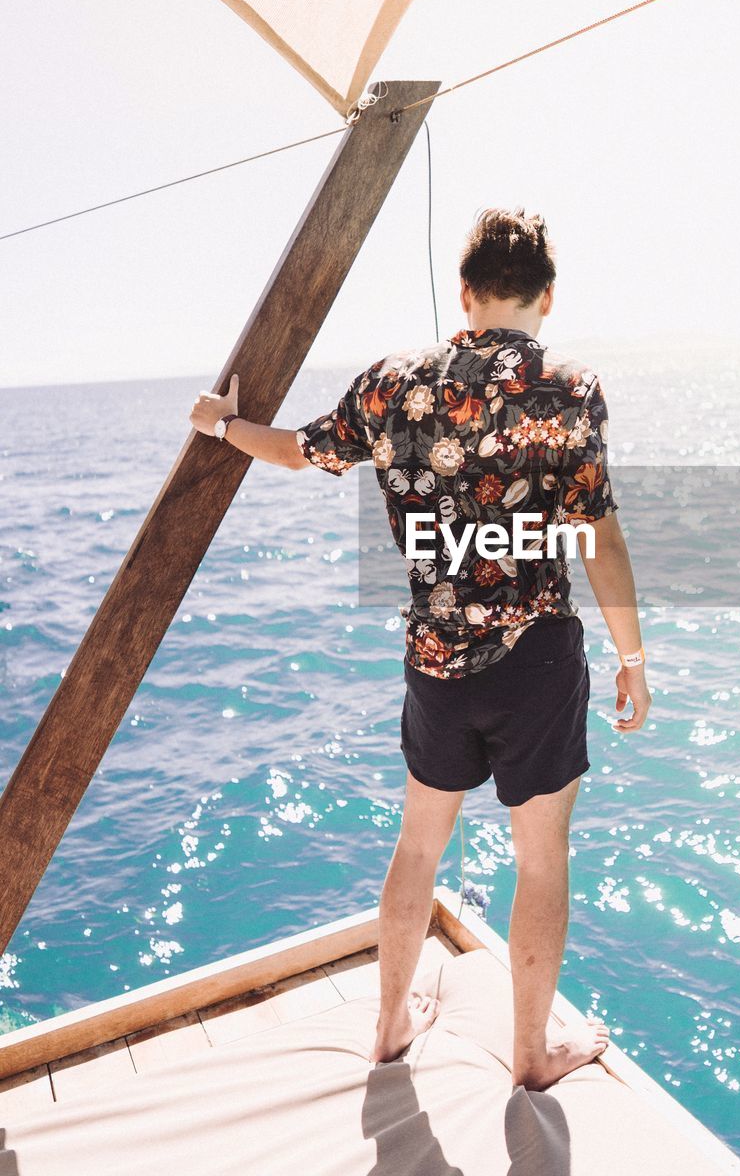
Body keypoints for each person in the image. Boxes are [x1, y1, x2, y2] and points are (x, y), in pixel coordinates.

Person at [189, 207, 651, 1091]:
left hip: (434, 663)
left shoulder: (394, 383)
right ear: (546, 298)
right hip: (537, 662)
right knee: (542, 860)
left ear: (467, 292)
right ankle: (529, 1053)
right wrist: (633, 660)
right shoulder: (572, 388)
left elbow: (294, 451)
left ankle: (391, 1025)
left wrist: (219, 425)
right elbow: (600, 533)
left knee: (416, 850)